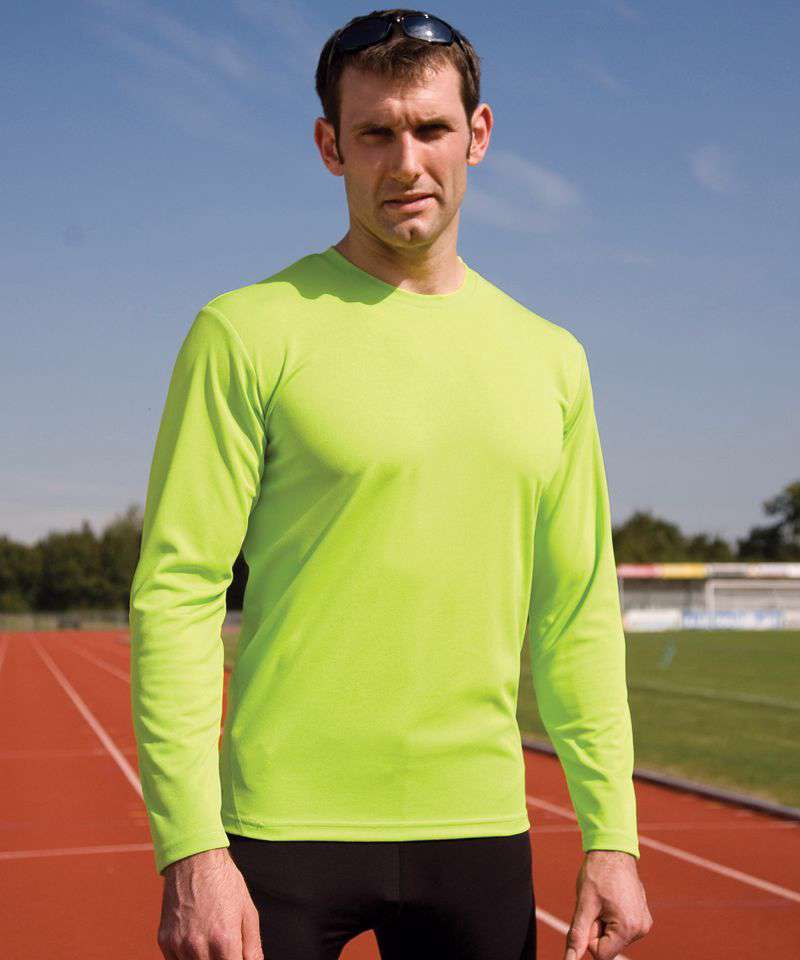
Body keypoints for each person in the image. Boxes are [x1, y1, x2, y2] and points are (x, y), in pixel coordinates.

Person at [129, 8, 654, 960]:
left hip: (479, 828)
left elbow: (576, 609)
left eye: (431, 129)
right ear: (331, 146)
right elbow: (177, 590)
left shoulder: (552, 360)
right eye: (375, 133)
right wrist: (191, 846)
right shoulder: (245, 332)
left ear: (477, 135)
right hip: (279, 833)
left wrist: (611, 835)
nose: (406, 163)